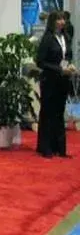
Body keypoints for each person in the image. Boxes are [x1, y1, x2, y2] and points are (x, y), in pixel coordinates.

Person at [36, 10, 74, 158]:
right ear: (52, 22)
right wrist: (59, 69)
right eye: (59, 19)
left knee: (59, 114)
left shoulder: (66, 37)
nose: (62, 22)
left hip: (63, 80)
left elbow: (67, 56)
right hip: (49, 80)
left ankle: (60, 148)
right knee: (47, 113)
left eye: (63, 19)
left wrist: (70, 66)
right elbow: (40, 61)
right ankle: (45, 147)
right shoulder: (47, 39)